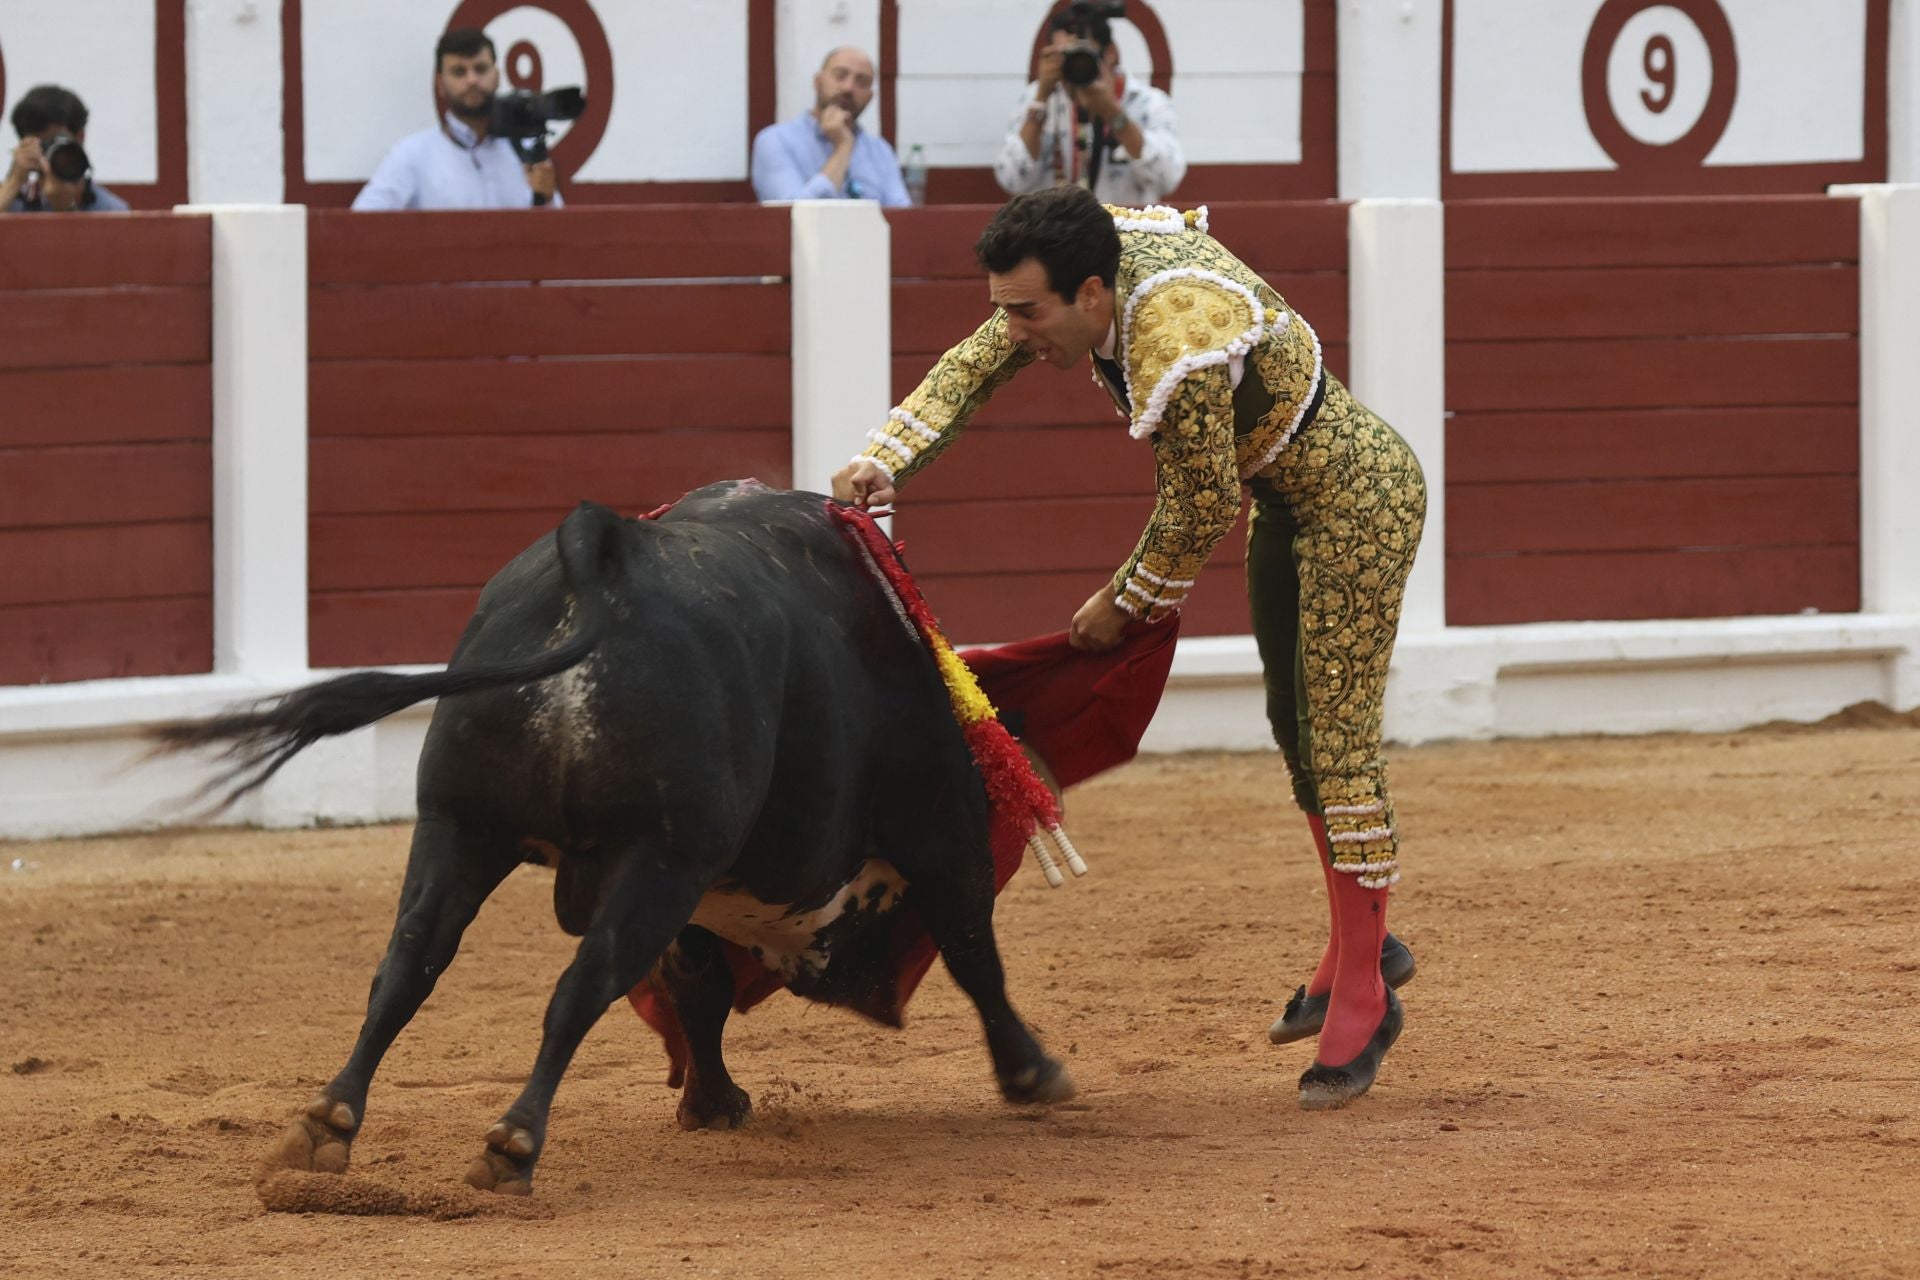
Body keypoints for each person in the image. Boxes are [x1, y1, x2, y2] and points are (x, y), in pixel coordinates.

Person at [832, 187, 1425, 1109]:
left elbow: (1201, 505)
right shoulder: (1076, 272)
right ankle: (1364, 942)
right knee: (1292, 722)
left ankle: (1364, 988)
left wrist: (1126, 601)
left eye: (1030, 313)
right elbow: (979, 358)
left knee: (1337, 741)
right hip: (1289, 500)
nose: (1016, 331)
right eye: (1008, 307)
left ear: (1094, 296)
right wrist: (888, 455)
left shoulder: (1176, 339)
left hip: (1359, 505)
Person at [352, 27, 560, 211]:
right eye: (459, 72)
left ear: (497, 76)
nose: (472, 80)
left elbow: (559, 238)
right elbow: (358, 227)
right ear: (440, 84)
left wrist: (547, 197)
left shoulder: (524, 150)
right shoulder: (413, 156)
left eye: (480, 69)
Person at [993, 10, 1184, 206]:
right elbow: (1011, 179)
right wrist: (1041, 99)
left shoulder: (1148, 102)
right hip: (1055, 230)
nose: (1076, 64)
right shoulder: (1036, 99)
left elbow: (1168, 179)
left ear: (1109, 53)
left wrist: (1114, 114)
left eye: (1083, 54)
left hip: (1124, 230)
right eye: (1065, 56)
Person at [751, 47, 911, 206]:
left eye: (861, 81)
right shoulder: (775, 141)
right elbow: (793, 215)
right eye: (840, 76)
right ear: (818, 82)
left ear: (869, 98)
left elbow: (902, 216)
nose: (848, 88)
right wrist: (843, 147)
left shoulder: (880, 150)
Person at [2, 85, 130, 213]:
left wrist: (65, 208)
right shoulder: (13, 203)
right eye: (42, 146)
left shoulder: (110, 210)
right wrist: (14, 181)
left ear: (79, 137)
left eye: (57, 143)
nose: (49, 154)